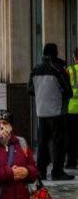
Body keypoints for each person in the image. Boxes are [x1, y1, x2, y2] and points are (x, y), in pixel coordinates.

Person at [29, 43, 74, 180]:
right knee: (58, 142)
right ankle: (57, 172)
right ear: (56, 53)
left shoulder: (35, 69)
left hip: (41, 112)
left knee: (42, 142)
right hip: (57, 112)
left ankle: (41, 172)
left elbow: (30, 90)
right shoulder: (59, 69)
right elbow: (68, 91)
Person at [66, 48, 78, 169]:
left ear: (74, 57)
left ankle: (71, 162)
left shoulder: (70, 70)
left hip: (71, 109)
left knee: (72, 138)